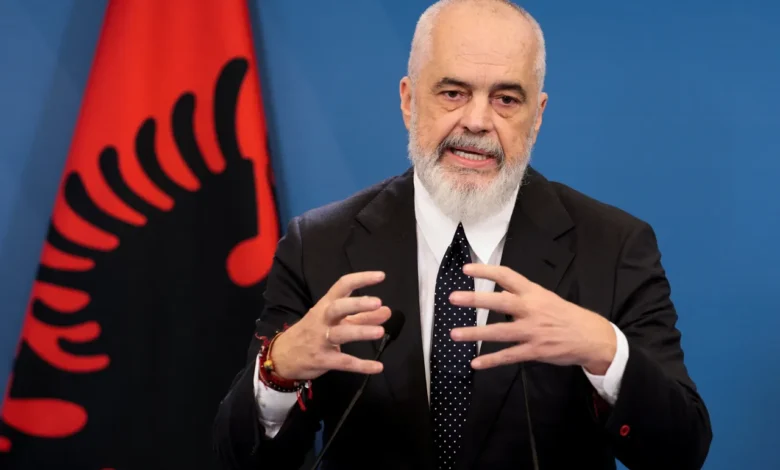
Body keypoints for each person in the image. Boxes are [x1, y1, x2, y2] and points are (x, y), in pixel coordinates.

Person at [213, 0, 713, 468]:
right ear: (409, 100)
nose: (476, 121)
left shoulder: (614, 246)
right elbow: (238, 459)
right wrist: (279, 369)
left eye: (506, 99)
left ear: (537, 116)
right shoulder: (318, 245)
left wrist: (605, 350)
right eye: (453, 93)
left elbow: (682, 450)